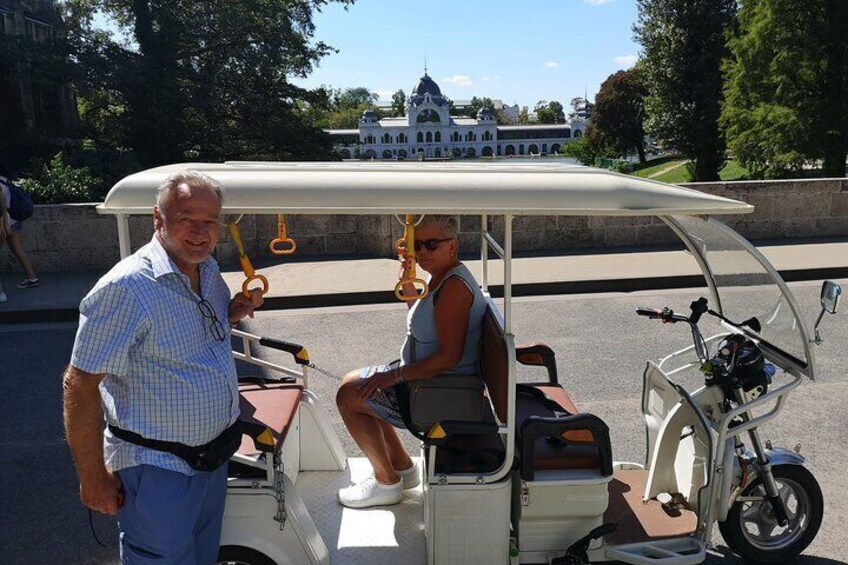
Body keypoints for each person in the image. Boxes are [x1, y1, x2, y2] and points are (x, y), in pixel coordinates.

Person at [63, 171, 263, 563]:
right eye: (187, 217)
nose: (200, 232)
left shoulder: (206, 269)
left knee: (203, 556)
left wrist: (231, 313)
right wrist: (93, 477)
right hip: (158, 469)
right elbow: (79, 385)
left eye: (210, 221)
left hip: (214, 456)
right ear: (158, 218)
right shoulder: (126, 287)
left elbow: (190, 332)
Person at [335, 214, 486, 508]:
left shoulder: (453, 287)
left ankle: (386, 482)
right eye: (417, 244)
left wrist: (393, 376)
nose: (423, 251)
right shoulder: (441, 277)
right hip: (432, 383)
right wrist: (409, 287)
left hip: (443, 391)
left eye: (431, 244)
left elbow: (448, 357)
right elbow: (426, 322)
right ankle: (404, 469)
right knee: (355, 384)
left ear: (452, 246)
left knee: (348, 396)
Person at [0, 175, 39, 292]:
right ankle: (32, 278)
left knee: (17, 249)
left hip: (7, 222)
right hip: (16, 219)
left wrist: (5, 226)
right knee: (17, 249)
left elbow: (3, 208)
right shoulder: (4, 180)